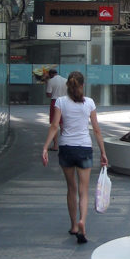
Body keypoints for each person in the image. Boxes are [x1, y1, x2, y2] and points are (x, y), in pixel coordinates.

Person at [42, 71, 108, 244]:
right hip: (84, 148)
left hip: (66, 148)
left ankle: (73, 226)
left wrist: (44, 147)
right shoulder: (90, 103)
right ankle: (82, 222)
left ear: (68, 86)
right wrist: (103, 152)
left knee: (71, 189)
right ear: (82, 85)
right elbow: (97, 130)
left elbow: (54, 126)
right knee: (83, 191)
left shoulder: (60, 102)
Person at [45, 68, 66, 151]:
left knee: (54, 124)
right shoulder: (65, 80)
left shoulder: (51, 81)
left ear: (50, 74)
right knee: (63, 124)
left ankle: (55, 145)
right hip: (65, 102)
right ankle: (65, 144)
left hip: (55, 102)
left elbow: (48, 94)